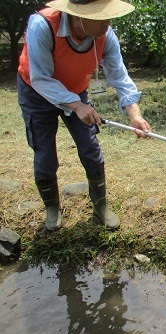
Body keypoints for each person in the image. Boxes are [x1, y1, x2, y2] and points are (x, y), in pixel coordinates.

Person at [17, 0, 151, 230]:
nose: (107, 24)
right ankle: (52, 208)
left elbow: (119, 76)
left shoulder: (105, 33)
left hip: (76, 90)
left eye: (109, 17)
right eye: (100, 17)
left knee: (91, 149)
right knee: (45, 154)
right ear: (77, 16)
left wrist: (134, 114)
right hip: (36, 93)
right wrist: (77, 106)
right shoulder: (43, 25)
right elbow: (41, 78)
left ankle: (100, 207)